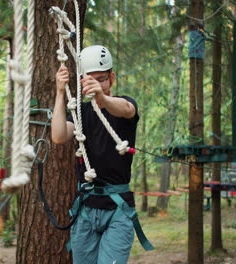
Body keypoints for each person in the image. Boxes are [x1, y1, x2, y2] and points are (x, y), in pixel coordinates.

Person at [51, 45, 151, 264]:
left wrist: (102, 98)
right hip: (86, 209)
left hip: (117, 209)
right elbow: (58, 136)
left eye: (102, 79)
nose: (98, 84)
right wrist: (60, 92)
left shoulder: (123, 105)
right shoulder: (80, 113)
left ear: (112, 78)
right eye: (91, 79)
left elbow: (126, 109)